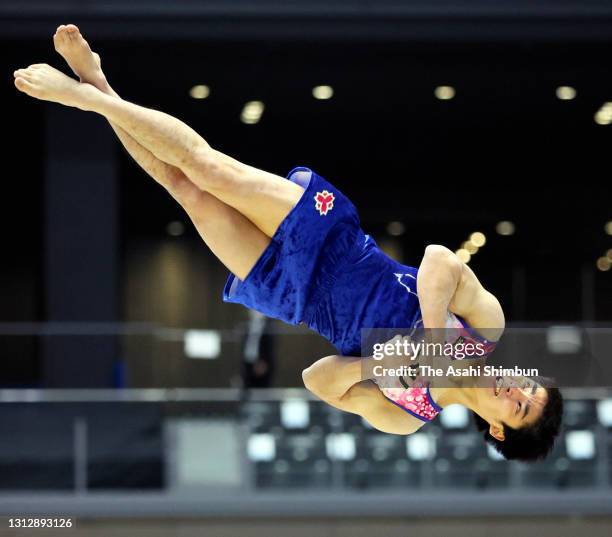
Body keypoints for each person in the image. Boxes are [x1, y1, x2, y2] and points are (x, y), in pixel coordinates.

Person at [13, 24, 562, 462]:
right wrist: (437, 341)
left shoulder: (408, 413)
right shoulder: (485, 327)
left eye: (518, 409)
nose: (514, 392)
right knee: (208, 169)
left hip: (296, 297)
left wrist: (380, 365)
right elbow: (440, 260)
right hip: (332, 241)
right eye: (527, 389)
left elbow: (317, 381)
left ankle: (99, 87)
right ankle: (87, 99)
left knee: (185, 191)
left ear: (496, 428)